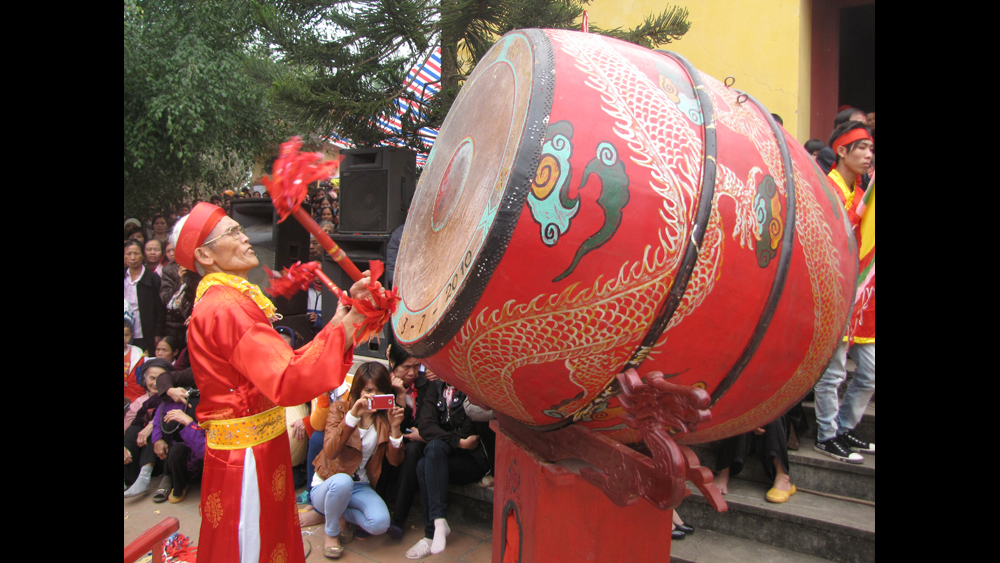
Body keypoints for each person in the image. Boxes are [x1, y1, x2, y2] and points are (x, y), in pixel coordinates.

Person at [170, 202, 383, 563]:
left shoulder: (223, 299)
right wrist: (346, 326)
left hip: (257, 448)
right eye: (232, 233)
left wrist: (344, 322)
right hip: (247, 458)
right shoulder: (225, 306)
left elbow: (284, 365)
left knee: (267, 540)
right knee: (252, 545)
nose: (245, 237)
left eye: (240, 229)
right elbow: (286, 377)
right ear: (204, 254)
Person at [813, 124, 875, 465]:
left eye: (870, 148)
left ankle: (843, 426)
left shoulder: (862, 192)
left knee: (869, 373)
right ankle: (826, 435)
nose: (868, 155)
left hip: (859, 294)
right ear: (841, 151)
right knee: (834, 372)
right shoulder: (828, 189)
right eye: (862, 147)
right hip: (834, 292)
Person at [299, 363, 406, 559]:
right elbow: (330, 452)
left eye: (380, 390)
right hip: (328, 483)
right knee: (342, 481)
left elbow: (395, 461)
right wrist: (352, 416)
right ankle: (331, 534)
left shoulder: (384, 418)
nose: (374, 395)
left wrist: (396, 429)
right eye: (368, 390)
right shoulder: (340, 410)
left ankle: (334, 513)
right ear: (358, 389)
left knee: (380, 523)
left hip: (360, 486)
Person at [407, 378, 491, 559]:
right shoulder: (435, 388)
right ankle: (438, 524)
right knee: (429, 457)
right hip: (447, 455)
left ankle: (431, 533)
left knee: (430, 455)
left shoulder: (471, 389)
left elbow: (469, 433)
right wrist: (458, 442)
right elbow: (426, 427)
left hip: (471, 461)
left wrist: (447, 438)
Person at [712, 414, 797, 503]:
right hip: (748, 417)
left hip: (776, 422)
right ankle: (723, 470)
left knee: (774, 411)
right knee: (738, 410)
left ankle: (782, 476)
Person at [125, 240, 166, 353]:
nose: (132, 257)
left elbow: (160, 309)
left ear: (143, 256)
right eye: (128, 254)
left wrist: (158, 333)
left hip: (144, 332)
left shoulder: (153, 279)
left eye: (136, 253)